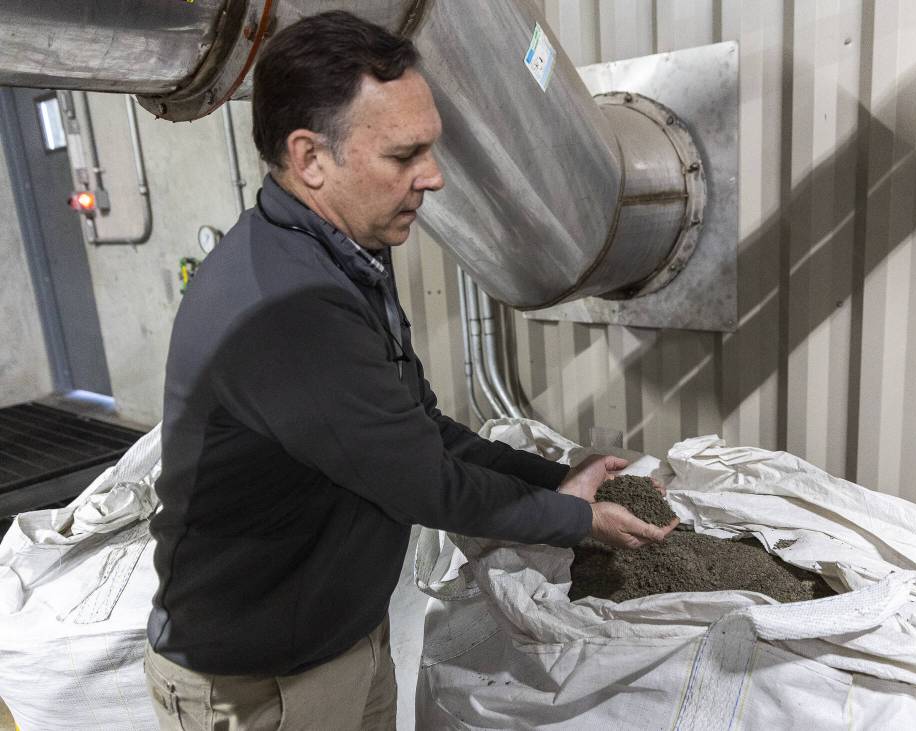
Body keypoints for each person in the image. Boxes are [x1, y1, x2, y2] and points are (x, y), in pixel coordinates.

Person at [144, 10, 676, 730]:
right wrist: (574, 518)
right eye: (404, 155)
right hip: (262, 681)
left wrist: (553, 477)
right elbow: (425, 483)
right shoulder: (287, 307)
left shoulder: (346, 249)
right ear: (309, 159)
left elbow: (418, 425)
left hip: (342, 638)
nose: (433, 176)